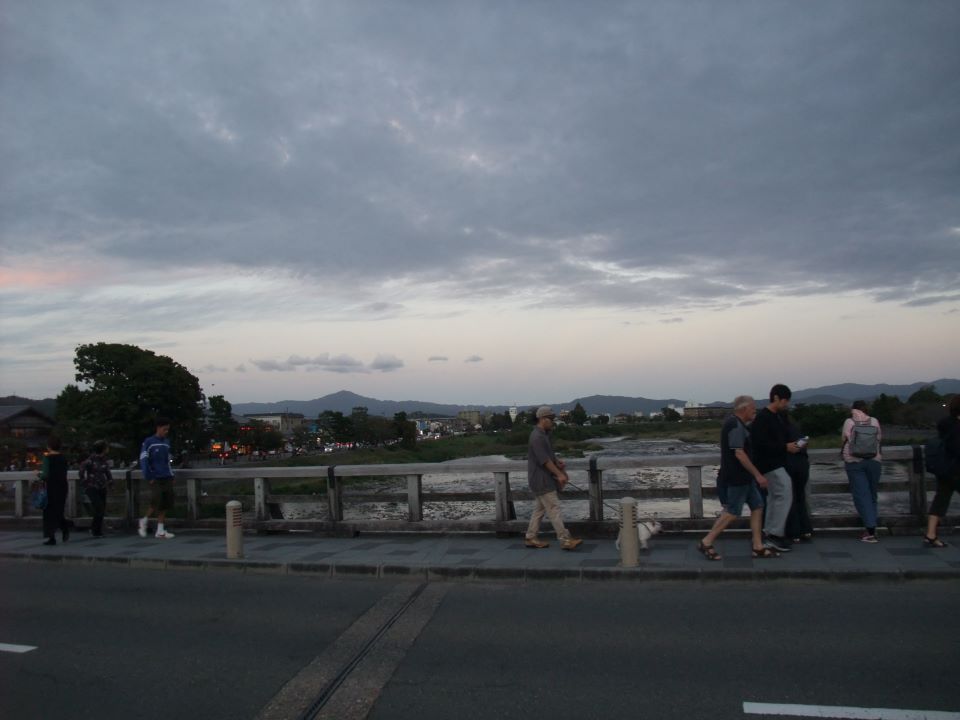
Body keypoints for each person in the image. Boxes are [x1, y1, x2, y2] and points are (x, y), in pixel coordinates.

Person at [698, 395, 779, 560]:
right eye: (753, 408)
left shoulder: (738, 424)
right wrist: (758, 475)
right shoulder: (735, 425)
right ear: (744, 409)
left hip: (744, 477)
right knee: (732, 512)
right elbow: (739, 454)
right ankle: (706, 541)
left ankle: (758, 546)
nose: (755, 411)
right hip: (737, 477)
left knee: (757, 506)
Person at [751, 384, 801, 552]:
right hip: (769, 464)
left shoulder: (776, 416)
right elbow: (760, 444)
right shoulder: (763, 418)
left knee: (775, 497)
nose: (786, 404)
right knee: (784, 494)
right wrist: (785, 447)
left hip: (775, 463)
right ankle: (774, 534)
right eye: (785, 400)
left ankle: (770, 532)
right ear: (776, 398)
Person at [525, 406, 582, 550]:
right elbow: (544, 460)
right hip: (541, 479)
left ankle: (531, 537)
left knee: (540, 509)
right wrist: (560, 474)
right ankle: (565, 540)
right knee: (553, 508)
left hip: (540, 478)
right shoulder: (537, 437)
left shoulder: (544, 435)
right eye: (550, 419)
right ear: (542, 419)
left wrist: (557, 462)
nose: (552, 421)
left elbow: (549, 456)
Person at [841, 400, 882, 543]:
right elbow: (879, 438)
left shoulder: (849, 422)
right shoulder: (874, 421)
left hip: (854, 462)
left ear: (853, 409)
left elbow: (845, 439)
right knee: (872, 494)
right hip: (874, 460)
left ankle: (870, 530)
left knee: (861, 495)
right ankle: (872, 527)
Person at [924, 394, 960, 548]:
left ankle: (930, 534)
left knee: (940, 500)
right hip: (957, 469)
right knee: (941, 500)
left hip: (944, 469)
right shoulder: (957, 427)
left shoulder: (945, 423)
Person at [138, 418, 176, 539]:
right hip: (155, 477)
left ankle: (160, 529)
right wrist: (148, 476)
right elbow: (144, 460)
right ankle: (145, 520)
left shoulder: (166, 442)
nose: (166, 432)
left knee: (165, 502)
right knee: (157, 499)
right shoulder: (148, 442)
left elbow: (167, 461)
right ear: (158, 428)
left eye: (167, 430)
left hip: (166, 475)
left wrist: (171, 475)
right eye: (164, 429)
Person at [783, 412, 813, 543]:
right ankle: (806, 529)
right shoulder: (795, 428)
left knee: (790, 498)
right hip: (802, 466)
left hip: (788, 466)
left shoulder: (779, 430)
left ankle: (794, 532)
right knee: (800, 497)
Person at [79, 440, 114, 538]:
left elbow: (107, 472)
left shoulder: (104, 460)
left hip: (102, 486)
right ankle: (95, 530)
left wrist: (111, 482)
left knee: (102, 508)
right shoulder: (90, 460)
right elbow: (81, 470)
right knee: (99, 507)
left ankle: (98, 529)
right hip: (92, 486)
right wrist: (84, 481)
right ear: (103, 449)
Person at [40, 435, 70, 546]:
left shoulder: (47, 458)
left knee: (49, 513)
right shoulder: (63, 458)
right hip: (62, 486)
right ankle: (65, 527)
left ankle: (51, 537)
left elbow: (45, 475)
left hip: (51, 487)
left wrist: (38, 474)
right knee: (59, 510)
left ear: (48, 446)